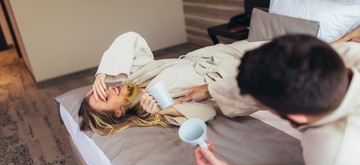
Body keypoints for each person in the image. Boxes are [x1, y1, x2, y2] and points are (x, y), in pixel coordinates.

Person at [183, 35, 360, 165]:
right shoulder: (337, 56)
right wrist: (210, 89)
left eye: (265, 105)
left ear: (296, 116)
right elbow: (278, 76)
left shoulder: (339, 154)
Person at [79, 31, 264, 135]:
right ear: (118, 113)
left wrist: (103, 74)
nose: (108, 90)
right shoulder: (150, 109)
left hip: (221, 54)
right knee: (287, 61)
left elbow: (131, 38)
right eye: (104, 98)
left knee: (282, 44)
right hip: (237, 74)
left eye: (101, 90)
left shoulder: (133, 76)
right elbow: (206, 112)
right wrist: (163, 109)